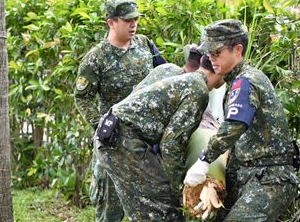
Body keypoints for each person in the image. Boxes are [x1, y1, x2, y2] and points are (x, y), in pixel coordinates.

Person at [184, 19, 298, 221]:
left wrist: (204, 160)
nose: (211, 59)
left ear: (238, 50)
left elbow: (235, 126)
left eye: (216, 52)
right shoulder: (236, 82)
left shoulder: (246, 81)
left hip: (269, 177)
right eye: (208, 54)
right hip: (251, 175)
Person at [94, 56, 224, 221]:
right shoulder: (198, 89)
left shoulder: (185, 79)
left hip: (110, 135)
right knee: (166, 208)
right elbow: (170, 144)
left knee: (143, 211)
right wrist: (180, 188)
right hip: (123, 140)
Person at [74, 0, 165, 222]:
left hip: (145, 138)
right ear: (111, 23)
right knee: (110, 207)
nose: (133, 24)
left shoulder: (145, 45)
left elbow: (165, 75)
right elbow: (82, 98)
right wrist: (102, 127)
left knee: (149, 203)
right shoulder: (97, 58)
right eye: (127, 20)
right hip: (113, 142)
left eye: (135, 19)